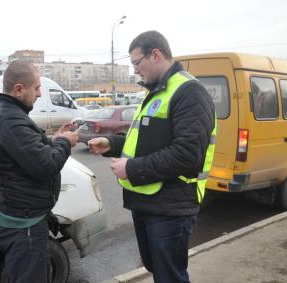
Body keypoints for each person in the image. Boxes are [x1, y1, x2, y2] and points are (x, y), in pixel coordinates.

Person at [88, 31, 216, 283]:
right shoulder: (157, 91)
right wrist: (112, 144)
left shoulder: (189, 93)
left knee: (170, 277)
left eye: (137, 63)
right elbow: (147, 143)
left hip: (170, 206)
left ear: (155, 54)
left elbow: (187, 155)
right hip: (148, 201)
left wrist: (132, 169)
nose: (135, 71)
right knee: (158, 271)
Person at [0, 60, 78, 283]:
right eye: (36, 88)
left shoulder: (4, 112)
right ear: (18, 89)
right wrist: (64, 143)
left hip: (19, 216)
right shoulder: (9, 119)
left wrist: (54, 139)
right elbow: (46, 166)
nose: (39, 93)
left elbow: (24, 150)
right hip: (25, 228)